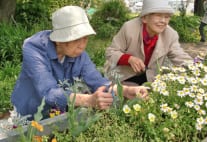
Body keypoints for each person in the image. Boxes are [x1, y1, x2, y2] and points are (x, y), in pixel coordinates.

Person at [11, 6, 148, 120]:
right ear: (58, 40)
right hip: (27, 113)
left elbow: (98, 82)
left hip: (57, 113)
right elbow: (48, 92)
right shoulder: (34, 49)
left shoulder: (79, 54)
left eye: (85, 38)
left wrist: (126, 90)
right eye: (76, 39)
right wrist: (88, 101)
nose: (82, 45)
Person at [104, 0, 193, 86]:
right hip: (123, 76)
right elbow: (110, 52)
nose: (163, 21)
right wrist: (129, 59)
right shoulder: (129, 28)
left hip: (150, 79)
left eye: (167, 17)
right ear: (144, 18)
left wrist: (197, 67)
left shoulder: (170, 34)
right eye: (158, 15)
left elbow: (179, 56)